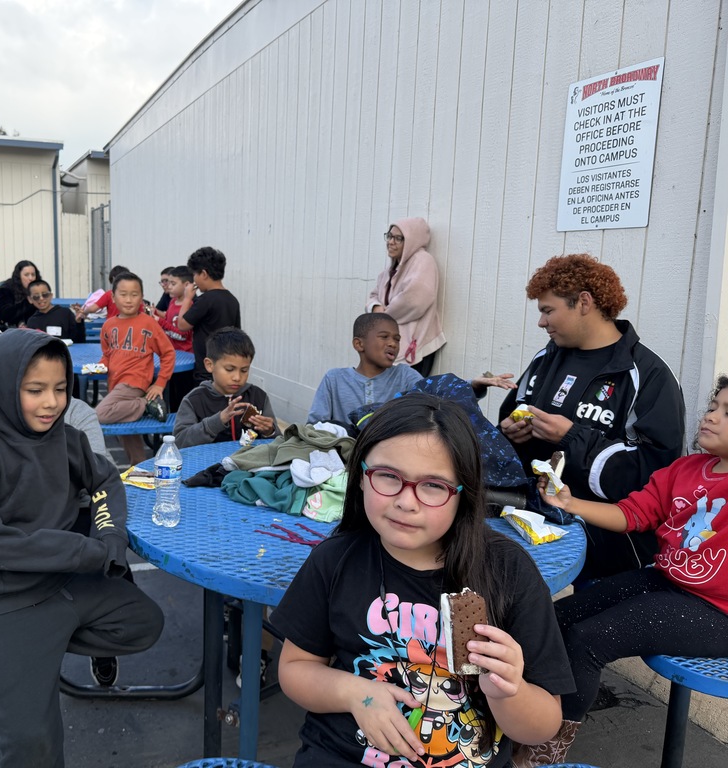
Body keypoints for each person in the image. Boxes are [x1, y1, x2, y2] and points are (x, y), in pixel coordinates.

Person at [269, 394, 574, 767]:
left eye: (433, 486)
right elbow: (295, 667)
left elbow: (543, 726)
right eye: (388, 476)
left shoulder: (507, 571)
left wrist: (507, 692)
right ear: (361, 478)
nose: (406, 501)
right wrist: (356, 693)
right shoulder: (336, 560)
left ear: (464, 494)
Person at [0, 330, 164, 768]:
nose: (52, 403)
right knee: (32, 747)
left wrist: (109, 537)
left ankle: (36, 650)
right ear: (3, 386)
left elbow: (106, 481)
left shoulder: (67, 438)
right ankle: (4, 652)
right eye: (34, 390)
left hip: (54, 581)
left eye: (60, 389)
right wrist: (82, 553)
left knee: (143, 622)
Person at [537, 375, 728, 766]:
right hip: (666, 581)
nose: (711, 417)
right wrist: (569, 502)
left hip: (717, 614)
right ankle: (530, 714)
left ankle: (542, 753)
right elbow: (632, 513)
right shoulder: (686, 469)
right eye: (714, 407)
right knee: (552, 619)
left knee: (588, 640)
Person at [498, 253, 685, 580]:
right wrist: (511, 431)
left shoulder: (648, 374)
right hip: (532, 527)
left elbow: (656, 473)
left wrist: (571, 438)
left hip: (609, 551)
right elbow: (516, 413)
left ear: (583, 302)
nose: (541, 322)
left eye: (548, 310)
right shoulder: (546, 357)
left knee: (574, 626)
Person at [95, 272, 176, 465]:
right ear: (113, 297)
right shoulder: (108, 325)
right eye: (123, 294)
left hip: (135, 382)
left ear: (142, 297)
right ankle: (139, 468)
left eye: (134, 294)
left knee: (100, 414)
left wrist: (159, 384)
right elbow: (107, 355)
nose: (129, 299)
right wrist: (99, 367)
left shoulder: (148, 323)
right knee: (126, 429)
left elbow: (168, 353)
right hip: (115, 383)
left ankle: (145, 405)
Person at [307, 313, 423, 425]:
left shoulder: (405, 376)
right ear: (359, 344)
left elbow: (429, 405)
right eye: (384, 337)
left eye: (397, 339)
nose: (393, 344)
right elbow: (315, 427)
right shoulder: (334, 379)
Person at [174, 327, 280, 448]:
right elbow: (179, 442)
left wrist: (269, 431)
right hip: (206, 464)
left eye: (244, 370)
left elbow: (278, 442)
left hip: (248, 464)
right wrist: (216, 422)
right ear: (209, 365)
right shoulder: (194, 400)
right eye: (229, 369)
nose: (237, 377)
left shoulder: (258, 397)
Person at [366, 217, 445, 376]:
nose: (390, 242)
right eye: (389, 236)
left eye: (398, 238)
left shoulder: (422, 261)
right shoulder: (391, 269)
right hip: (394, 344)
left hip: (414, 347)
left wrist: (383, 317)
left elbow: (414, 301)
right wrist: (375, 307)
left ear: (412, 240)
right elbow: (374, 295)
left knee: (407, 397)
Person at [177, 246, 241, 382]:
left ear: (204, 274)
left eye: (195, 274)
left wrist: (187, 298)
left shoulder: (205, 300)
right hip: (225, 368)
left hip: (206, 370)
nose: (194, 279)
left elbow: (182, 325)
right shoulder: (232, 300)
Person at [155, 265, 194, 411]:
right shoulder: (172, 302)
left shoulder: (188, 305)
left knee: (182, 398)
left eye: (173, 283)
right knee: (170, 396)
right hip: (172, 357)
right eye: (167, 283)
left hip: (186, 359)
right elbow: (168, 320)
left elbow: (182, 335)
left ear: (186, 285)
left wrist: (160, 322)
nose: (168, 287)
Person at [73, 264, 145, 320]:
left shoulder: (109, 294)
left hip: (113, 328)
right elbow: (143, 313)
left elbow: (93, 308)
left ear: (113, 279)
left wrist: (84, 311)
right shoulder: (135, 298)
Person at [0, 260, 41, 331]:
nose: (30, 278)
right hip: (9, 329)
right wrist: (27, 302)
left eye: (33, 275)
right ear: (19, 276)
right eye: (26, 275)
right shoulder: (6, 289)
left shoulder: (39, 289)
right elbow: (5, 315)